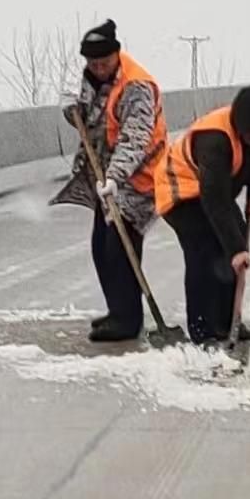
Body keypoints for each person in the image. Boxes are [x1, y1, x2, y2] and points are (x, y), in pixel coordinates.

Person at [51, 19, 168, 342]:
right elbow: (91, 119)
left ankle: (128, 321)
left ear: (117, 55)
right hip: (107, 177)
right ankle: (119, 311)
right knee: (101, 247)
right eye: (92, 63)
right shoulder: (94, 77)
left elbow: (135, 138)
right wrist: (70, 110)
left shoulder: (137, 86)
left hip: (139, 178)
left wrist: (115, 177)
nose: (98, 69)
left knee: (121, 247)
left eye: (103, 62)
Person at [154, 85, 250, 344]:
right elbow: (213, 199)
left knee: (232, 249)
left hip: (215, 193)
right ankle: (202, 329)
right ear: (239, 126)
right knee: (205, 252)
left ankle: (228, 322)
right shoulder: (214, 137)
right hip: (178, 191)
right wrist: (236, 249)